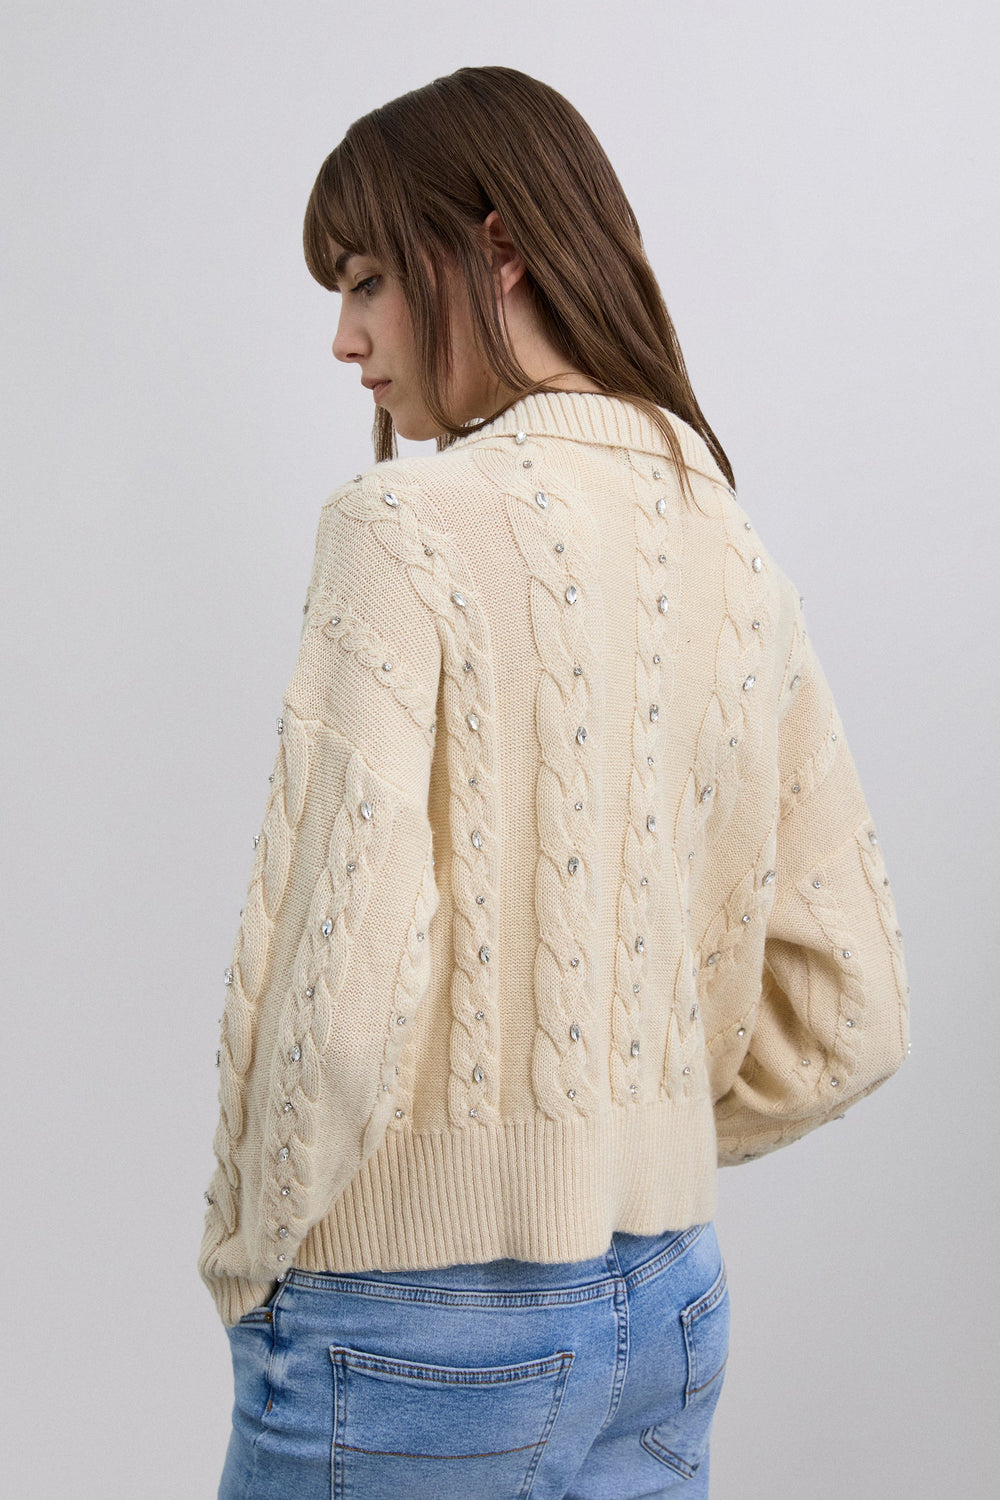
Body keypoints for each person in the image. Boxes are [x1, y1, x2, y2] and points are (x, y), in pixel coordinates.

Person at [199, 65, 910, 1499]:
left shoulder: (403, 528)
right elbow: (853, 1008)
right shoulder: (725, 537)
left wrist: (252, 1261)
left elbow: (332, 993)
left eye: (368, 281)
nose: (344, 339)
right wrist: (626, 1138)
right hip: (669, 1305)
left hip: (411, 1327)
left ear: (502, 248)